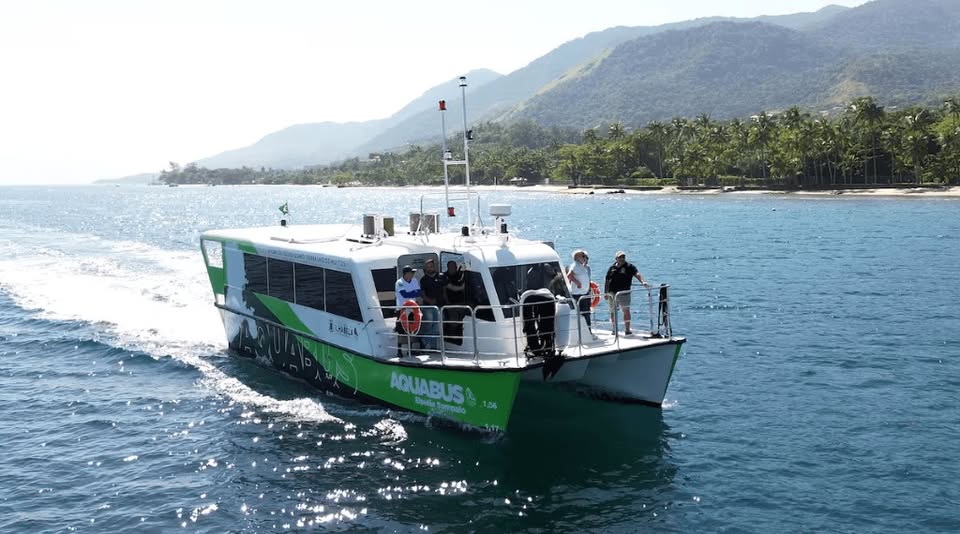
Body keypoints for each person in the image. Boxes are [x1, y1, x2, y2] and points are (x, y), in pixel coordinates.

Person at [604, 251, 648, 335]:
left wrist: (643, 282)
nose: (622, 259)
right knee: (613, 311)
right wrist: (606, 292)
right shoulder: (612, 268)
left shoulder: (629, 267)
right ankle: (614, 329)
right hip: (612, 293)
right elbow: (607, 280)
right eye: (620, 257)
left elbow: (637, 274)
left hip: (624, 293)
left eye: (623, 257)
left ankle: (627, 330)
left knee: (626, 311)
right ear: (616, 258)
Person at [395, 265, 421, 356]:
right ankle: (399, 351)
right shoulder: (399, 282)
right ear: (406, 273)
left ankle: (411, 349)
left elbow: (419, 292)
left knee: (412, 328)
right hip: (402, 309)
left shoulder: (414, 281)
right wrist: (413, 293)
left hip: (413, 308)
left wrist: (411, 293)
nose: (412, 274)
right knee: (401, 329)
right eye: (411, 272)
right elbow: (404, 294)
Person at [418, 258, 443, 351]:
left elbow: (445, 288)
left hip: (440, 305)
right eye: (428, 267)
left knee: (439, 325)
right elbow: (422, 294)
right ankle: (433, 348)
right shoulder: (423, 280)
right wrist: (430, 300)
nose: (430, 268)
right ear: (426, 268)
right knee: (431, 325)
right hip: (428, 306)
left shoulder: (440, 276)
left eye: (431, 266)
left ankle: (424, 340)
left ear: (434, 267)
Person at [567, 249, 593, 329]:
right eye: (583, 256)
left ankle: (588, 330)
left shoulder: (581, 266)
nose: (585, 258)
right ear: (577, 257)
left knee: (587, 312)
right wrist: (577, 282)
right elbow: (569, 275)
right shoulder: (575, 265)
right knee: (584, 313)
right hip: (579, 294)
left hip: (584, 293)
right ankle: (587, 330)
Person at [442, 260, 466, 344]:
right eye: (450, 267)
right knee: (454, 321)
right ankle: (451, 339)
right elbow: (447, 290)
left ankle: (460, 337)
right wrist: (448, 303)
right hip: (450, 303)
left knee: (464, 318)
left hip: (461, 302)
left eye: (454, 267)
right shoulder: (444, 276)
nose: (453, 268)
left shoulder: (459, 275)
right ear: (447, 268)